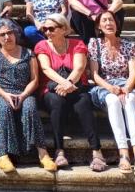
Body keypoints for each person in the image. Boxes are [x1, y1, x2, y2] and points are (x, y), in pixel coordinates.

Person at [0, 19, 56, 173]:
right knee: (4, 110)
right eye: (2, 35)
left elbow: (35, 80)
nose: (7, 37)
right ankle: (2, 155)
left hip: (24, 91)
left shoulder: (28, 53)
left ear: (15, 34)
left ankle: (43, 153)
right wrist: (5, 95)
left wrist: (23, 95)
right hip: (1, 92)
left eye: (9, 33)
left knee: (30, 107)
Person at [34, 13, 105, 171]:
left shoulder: (77, 44)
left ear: (64, 29)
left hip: (76, 86)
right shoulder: (42, 45)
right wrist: (65, 83)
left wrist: (70, 83)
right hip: (51, 88)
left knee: (83, 103)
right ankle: (59, 151)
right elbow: (46, 69)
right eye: (45, 29)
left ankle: (96, 151)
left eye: (51, 28)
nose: (47, 32)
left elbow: (79, 68)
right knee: (56, 101)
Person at [88, 11, 135, 174]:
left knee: (130, 98)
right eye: (104, 21)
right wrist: (110, 88)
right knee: (113, 100)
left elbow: (133, 72)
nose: (108, 23)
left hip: (125, 84)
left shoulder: (129, 45)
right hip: (104, 86)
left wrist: (127, 87)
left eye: (111, 20)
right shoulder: (94, 44)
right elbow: (94, 75)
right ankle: (123, 153)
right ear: (99, 26)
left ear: (117, 24)